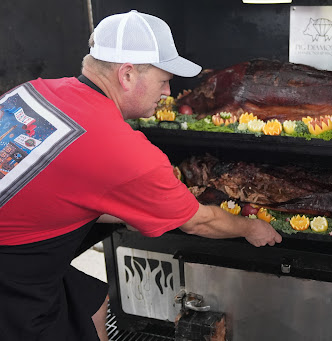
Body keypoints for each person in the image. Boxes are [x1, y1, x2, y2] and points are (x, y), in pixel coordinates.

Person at [0, 10, 282, 341]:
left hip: (25, 251)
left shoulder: (34, 91)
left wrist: (127, 213)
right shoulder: (119, 147)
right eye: (163, 80)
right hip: (14, 281)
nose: (167, 92)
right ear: (128, 75)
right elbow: (199, 222)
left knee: (94, 301)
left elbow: (47, 189)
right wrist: (251, 228)